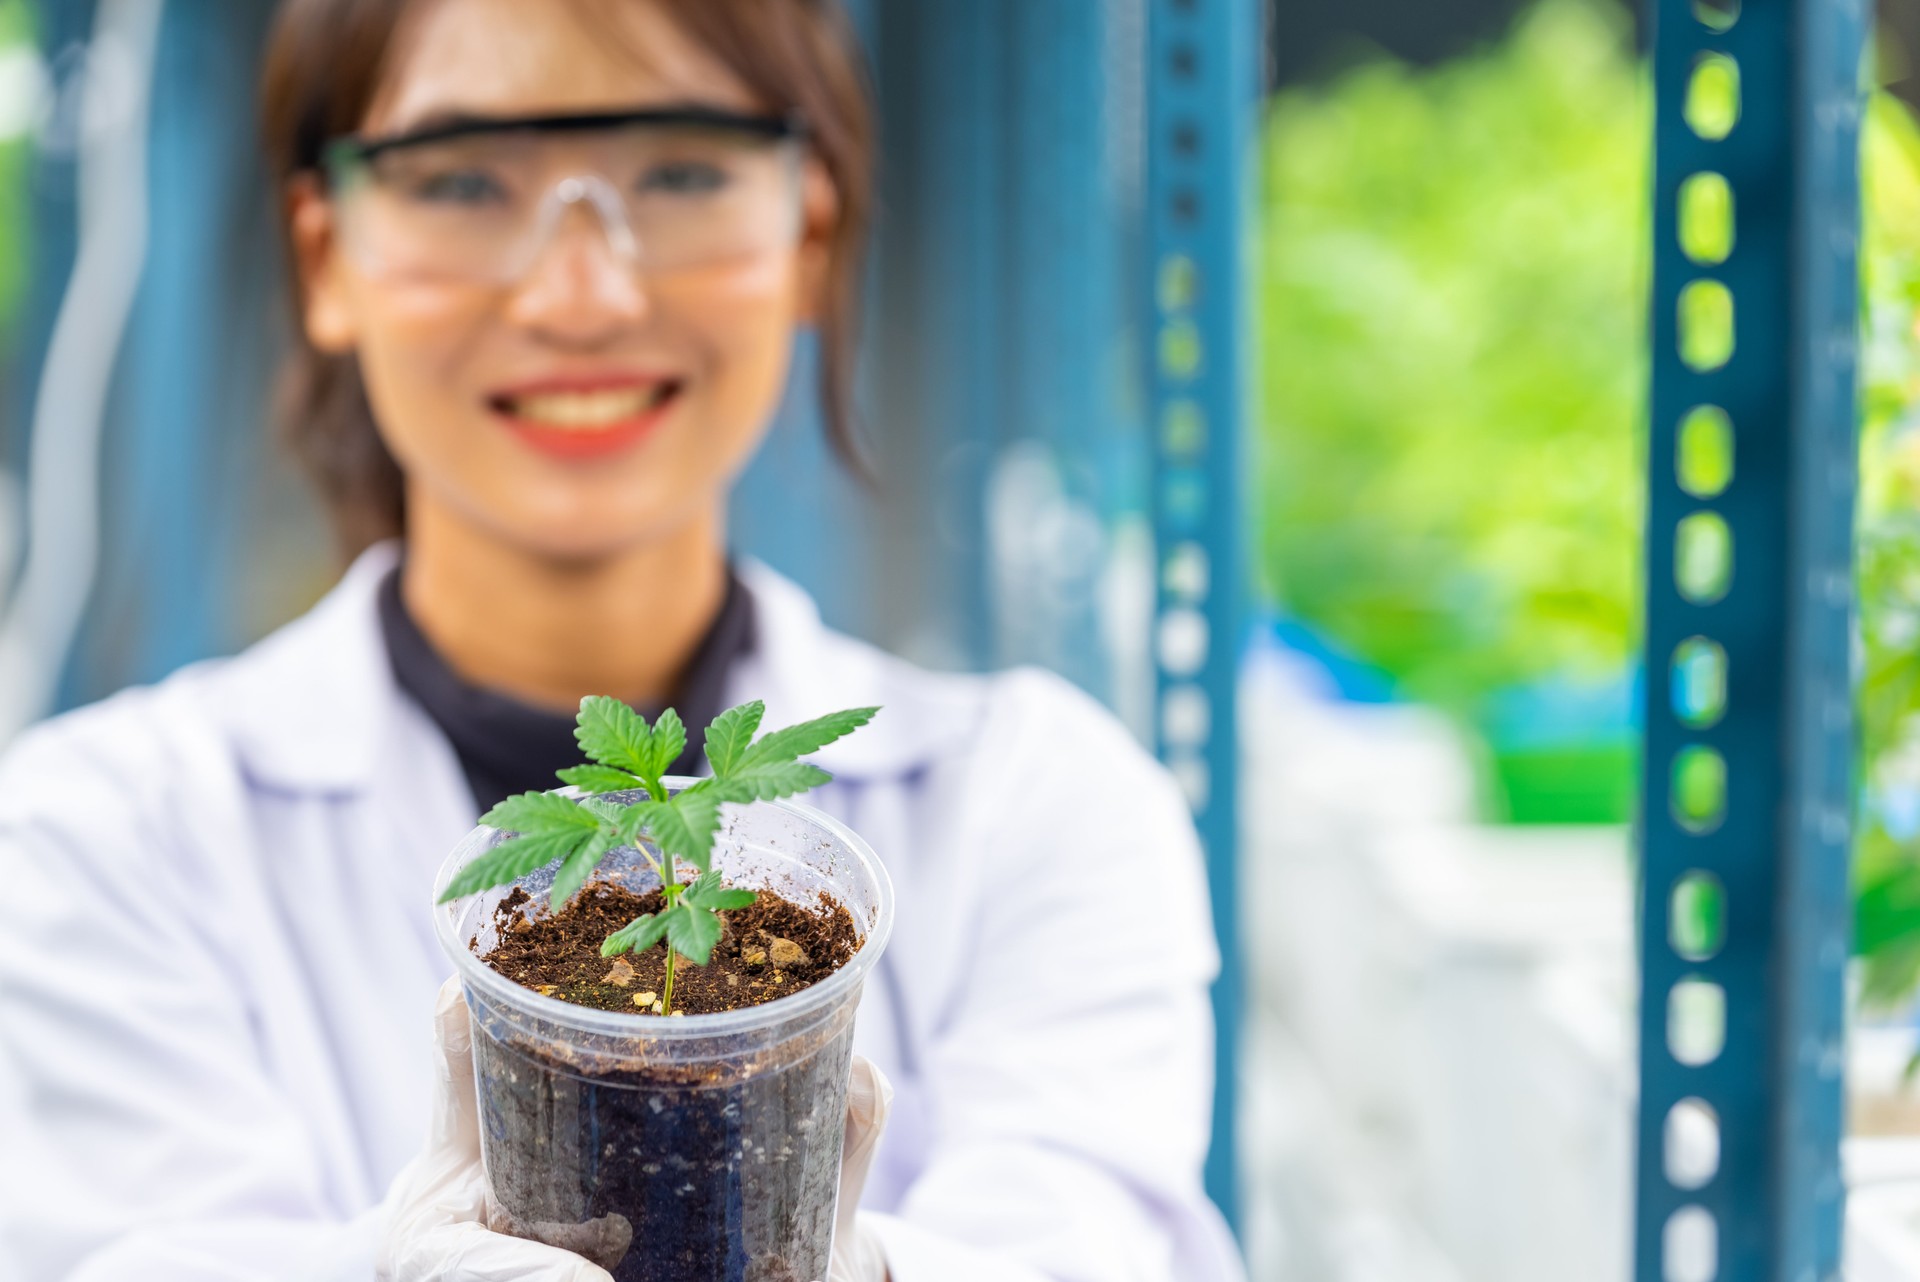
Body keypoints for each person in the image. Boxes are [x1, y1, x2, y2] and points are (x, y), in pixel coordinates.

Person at [0, 1, 1242, 1279]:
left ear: (809, 229)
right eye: (468, 180)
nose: (579, 292)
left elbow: (1096, 1242)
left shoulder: (1036, 801)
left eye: (683, 171)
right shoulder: (93, 836)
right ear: (327, 257)